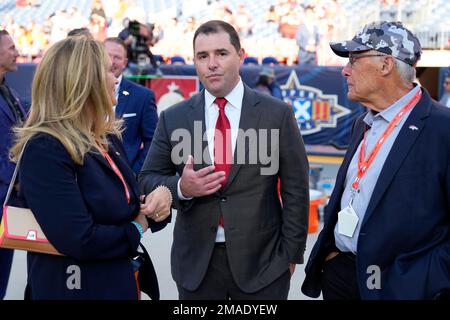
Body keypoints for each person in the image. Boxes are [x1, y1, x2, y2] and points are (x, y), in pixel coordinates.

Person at [139, 20, 309, 300]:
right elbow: (147, 179)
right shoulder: (174, 117)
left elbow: (296, 189)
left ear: (241, 56)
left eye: (221, 53)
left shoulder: (277, 114)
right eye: (202, 56)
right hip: (196, 267)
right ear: (194, 61)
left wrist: (291, 254)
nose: (212, 64)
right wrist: (182, 188)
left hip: (264, 266)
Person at [9, 37, 171, 300]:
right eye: (108, 69)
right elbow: (81, 239)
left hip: (118, 285)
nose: (116, 76)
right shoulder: (46, 149)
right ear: (84, 81)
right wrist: (139, 226)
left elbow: (121, 205)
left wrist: (156, 201)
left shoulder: (106, 138)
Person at [301, 21, 450, 300]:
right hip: (341, 275)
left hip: (399, 287)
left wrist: (420, 279)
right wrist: (333, 258)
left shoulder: (443, 129)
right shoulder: (363, 123)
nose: (345, 70)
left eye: (355, 60)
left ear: (385, 65)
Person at [104, 37, 158, 174]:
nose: (111, 61)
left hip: (128, 178)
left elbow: (153, 141)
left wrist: (134, 174)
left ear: (125, 63)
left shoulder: (143, 96)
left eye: (117, 57)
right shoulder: (85, 92)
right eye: (107, 55)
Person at [0, 30, 26, 300]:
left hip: (8, 204)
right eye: (11, 47)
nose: (16, 51)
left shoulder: (9, 91)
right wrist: (18, 179)